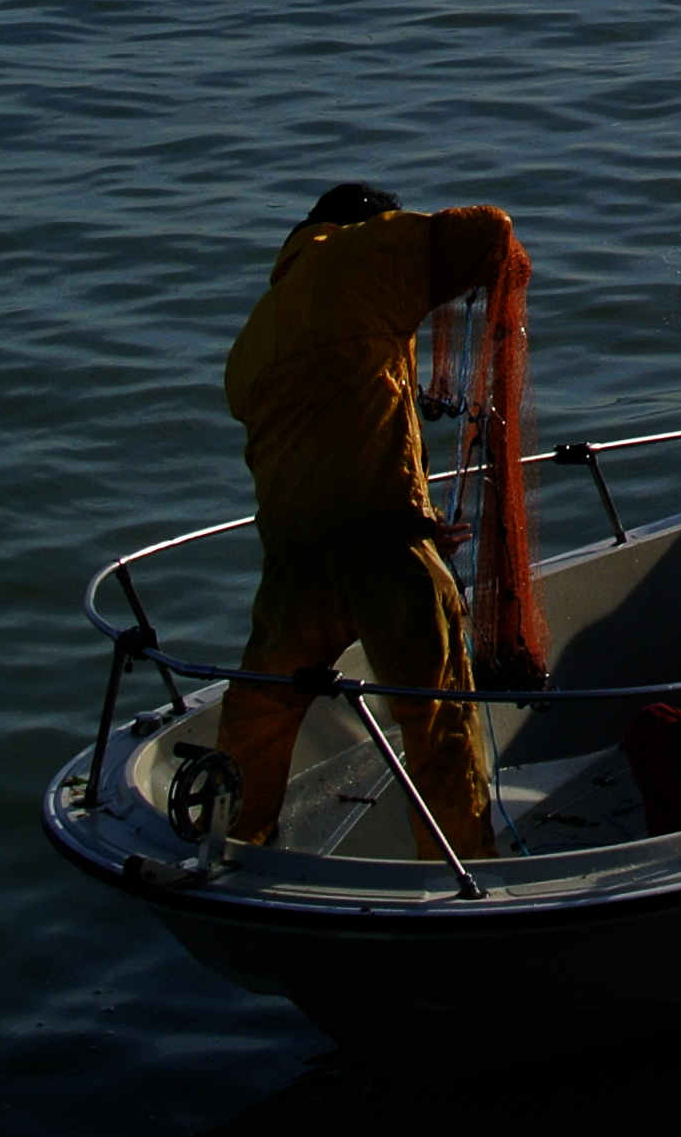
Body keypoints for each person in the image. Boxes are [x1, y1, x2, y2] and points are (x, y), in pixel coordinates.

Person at [212, 183, 511, 860]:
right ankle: (459, 868)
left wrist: (422, 513)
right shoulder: (351, 256)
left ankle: (235, 840)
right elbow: (487, 229)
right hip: (383, 554)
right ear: (366, 226)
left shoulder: (261, 329)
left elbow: (335, 436)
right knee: (436, 719)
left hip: (294, 560)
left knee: (262, 708)